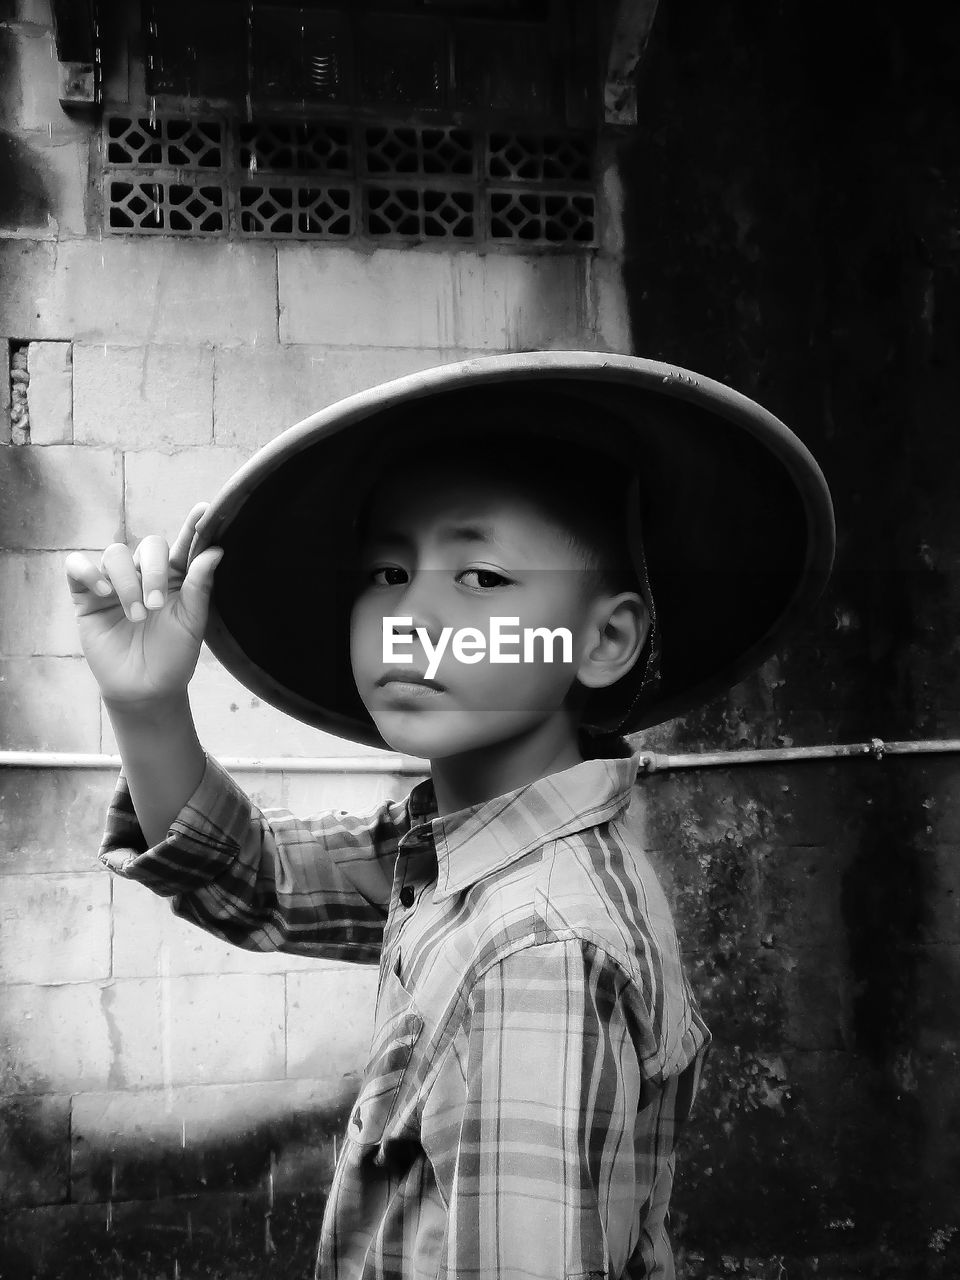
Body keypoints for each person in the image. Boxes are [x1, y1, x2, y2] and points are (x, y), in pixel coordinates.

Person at [64, 355, 835, 1279]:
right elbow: (258, 881)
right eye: (388, 569)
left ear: (603, 640)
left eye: (481, 577)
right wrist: (149, 708)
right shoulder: (453, 852)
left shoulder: (537, 954)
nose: (411, 618)